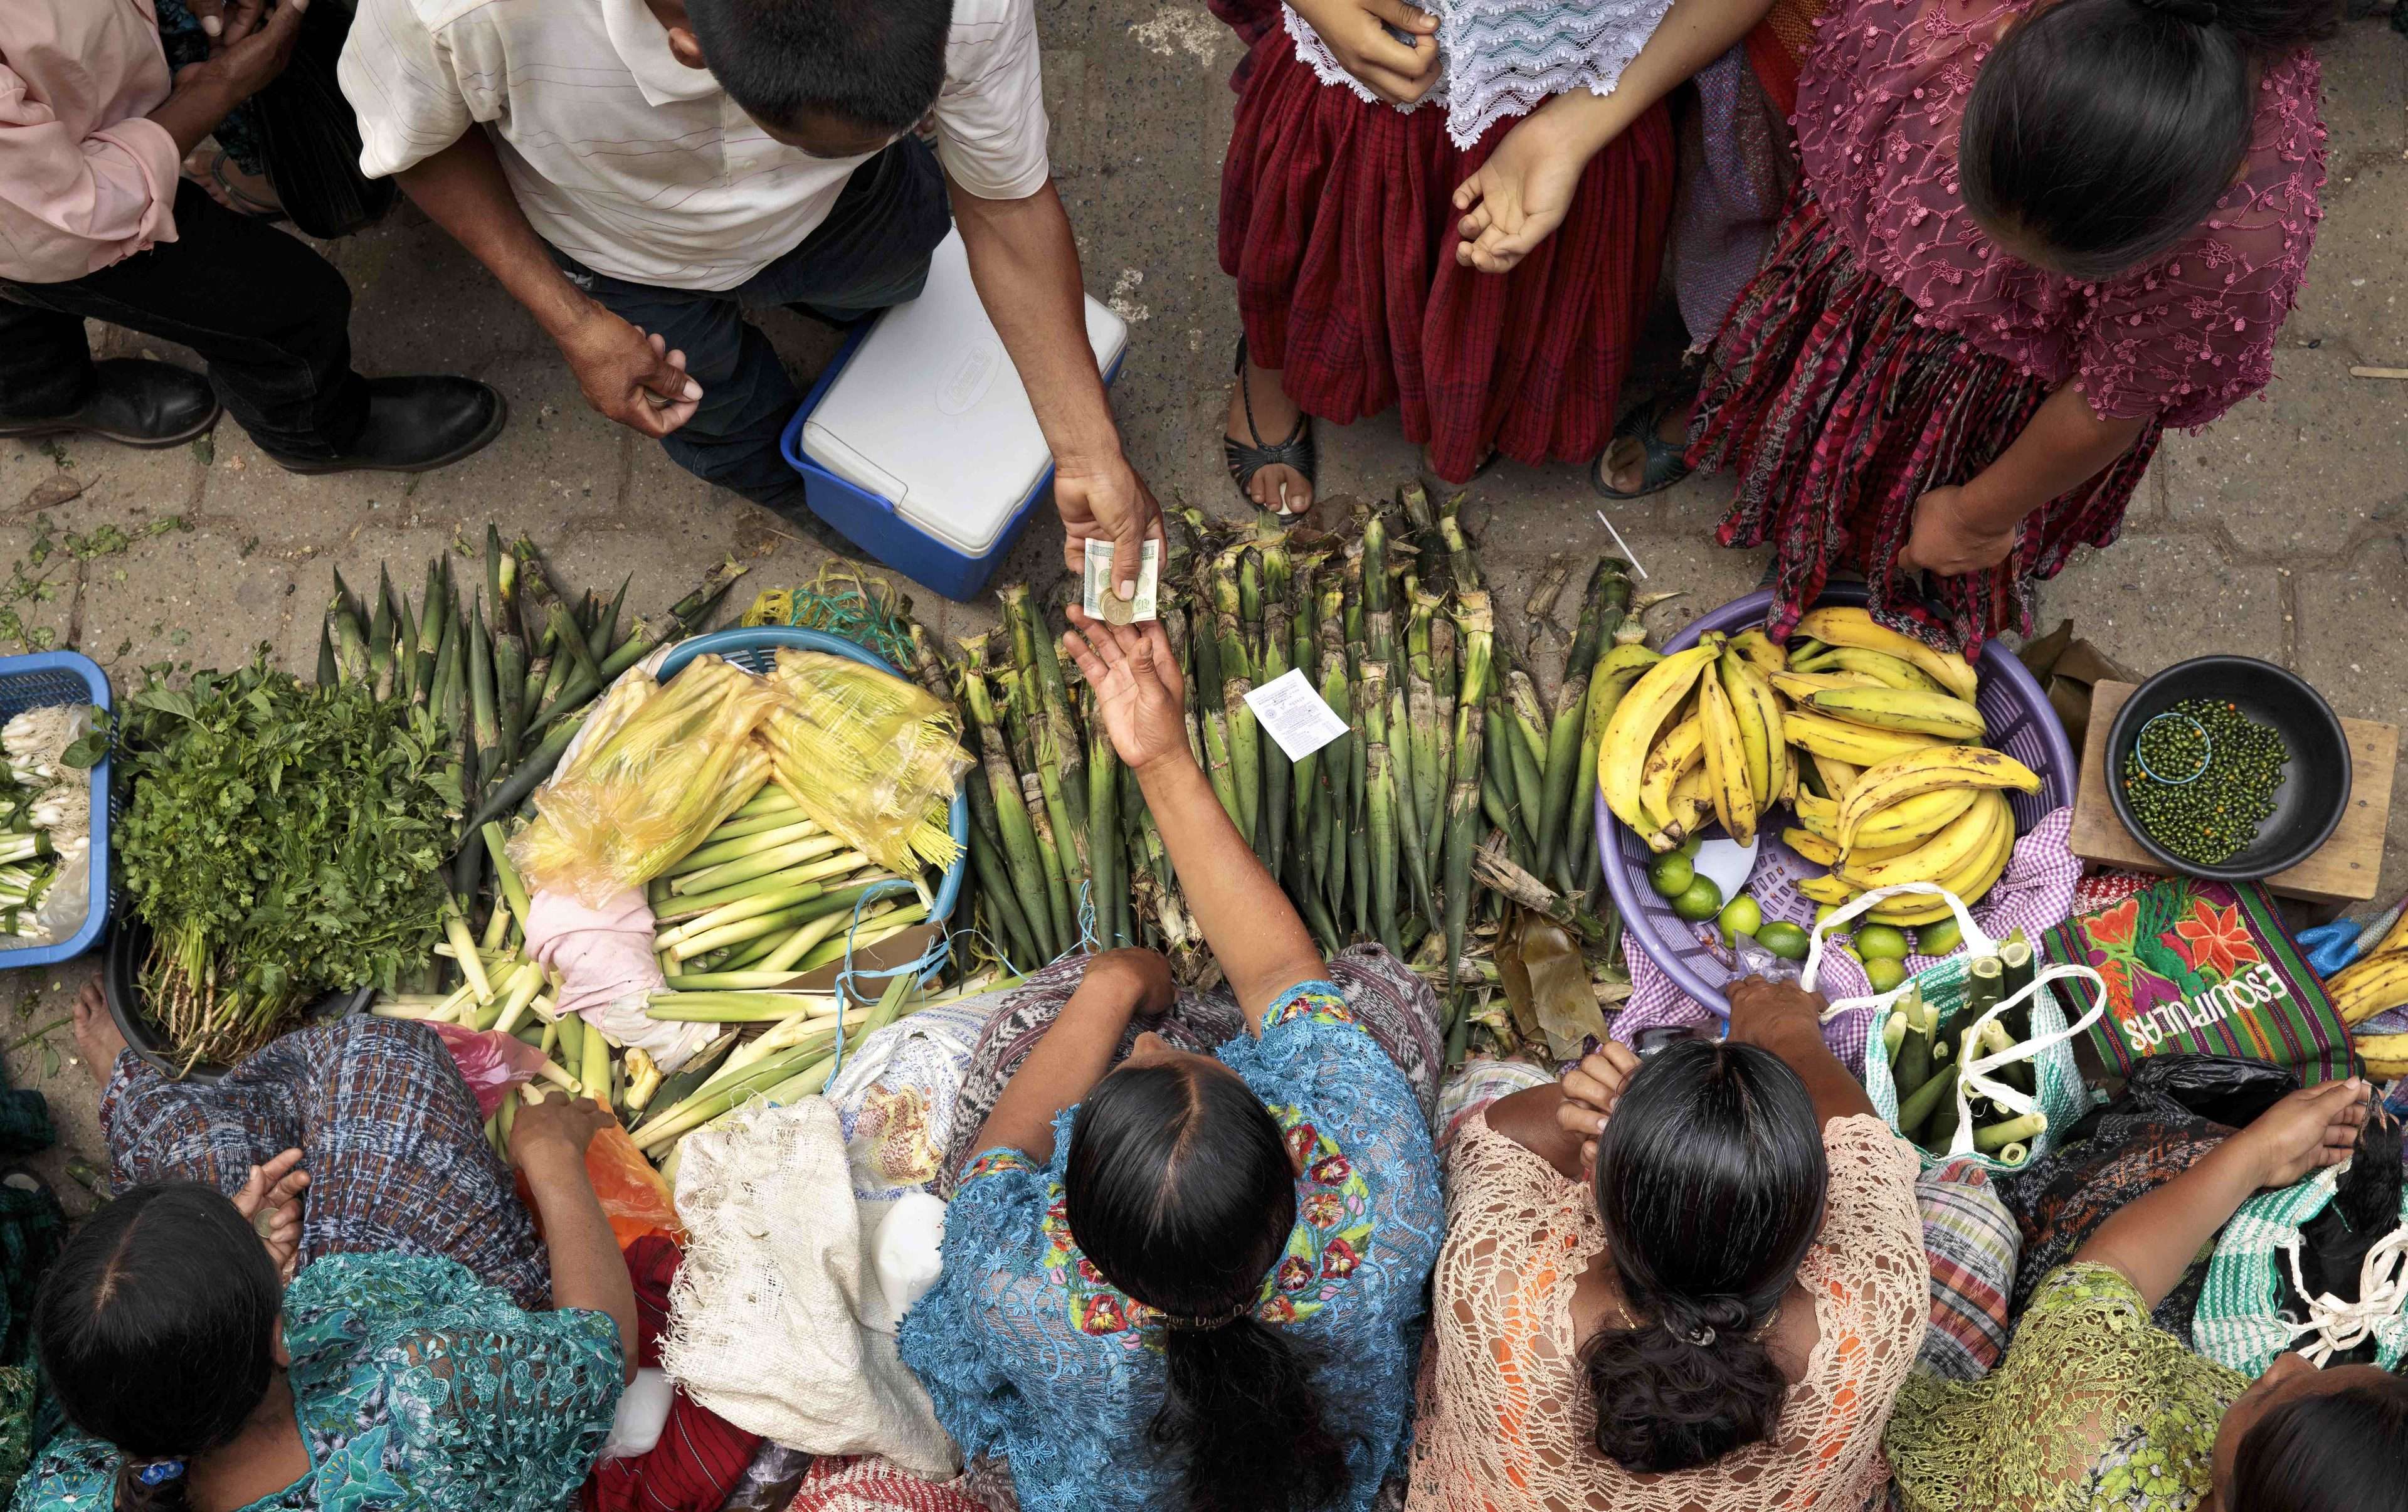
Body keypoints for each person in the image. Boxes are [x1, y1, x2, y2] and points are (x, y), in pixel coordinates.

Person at [897, 610, 1445, 1512]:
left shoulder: (1019, 1286)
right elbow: (1279, 974)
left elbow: (996, 1161)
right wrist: (1163, 758)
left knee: (1036, 1017)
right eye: (1174, 1058)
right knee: (1371, 999)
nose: (1159, 1042)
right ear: (1291, 1161)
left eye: (1141, 1062)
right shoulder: (1379, 1183)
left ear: (1072, 1215)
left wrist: (1111, 986)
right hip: (1328, 1455)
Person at [339, 0, 1162, 598]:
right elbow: (415, 147)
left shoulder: (967, 9)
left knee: (906, 268)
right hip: (624, 255)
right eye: (818, 139)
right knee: (720, 411)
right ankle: (789, 483)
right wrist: (571, 319)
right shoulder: (454, 14)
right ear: (693, 49)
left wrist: (1089, 450)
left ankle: (854, 278)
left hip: (848, 210)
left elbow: (1008, 211)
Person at [1672, 0, 2328, 652]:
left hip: (1994, 392)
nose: (2004, 260)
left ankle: (1872, 560)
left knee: (1905, 512)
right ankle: (1788, 484)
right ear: (2009, 29)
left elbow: (2108, 405)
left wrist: (1971, 515)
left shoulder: (2236, 246)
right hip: (1864, 275)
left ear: (2225, 178)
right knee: (1806, 411)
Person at [18, 990, 636, 1512]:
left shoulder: (66, 1492)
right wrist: (551, 1155)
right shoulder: (429, 1392)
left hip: (255, 1367)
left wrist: (230, 1259)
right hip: (416, 1305)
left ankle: (132, 1098)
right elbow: (606, 1353)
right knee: (383, 1058)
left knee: (199, 1162)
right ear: (288, 1333)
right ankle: (147, 1108)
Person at [1408, 978, 1926, 1509]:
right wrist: (1787, 1026)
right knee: (1973, 1212)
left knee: (1497, 1077)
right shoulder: (1878, 1302)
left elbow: (1495, 1139)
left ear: (1597, 1190)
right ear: (1817, 1221)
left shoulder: (1500, 1283)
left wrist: (1592, 1108)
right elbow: (1864, 1140)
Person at [1210, 0, 1682, 513]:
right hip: (1355, 41)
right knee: (1319, 234)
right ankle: (1271, 362)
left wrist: (1572, 132)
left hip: (1576, 82)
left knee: (1499, 277)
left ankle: (1462, 399)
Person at [0, 0, 507, 471]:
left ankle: (30, 389)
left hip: (50, 167)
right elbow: (64, 217)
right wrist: (218, 89)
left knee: (16, 302)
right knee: (289, 306)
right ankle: (319, 436)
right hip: (49, 216)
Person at [1885, 1077, 2407, 1512]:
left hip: (1946, 1434)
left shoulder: (2090, 1433)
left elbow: (2118, 1269)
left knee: (1965, 1220)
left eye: (2267, 1396)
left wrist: (2261, 1150)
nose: (2289, 1362)